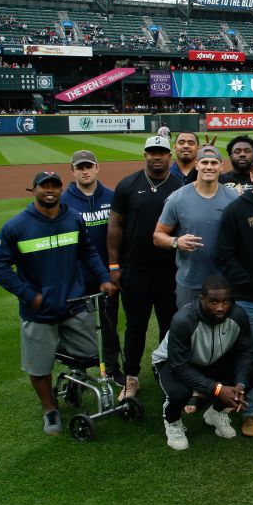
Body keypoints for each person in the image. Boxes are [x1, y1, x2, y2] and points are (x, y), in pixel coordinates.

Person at [0, 171, 117, 434]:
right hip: (39, 311)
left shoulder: (73, 218)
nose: (50, 191)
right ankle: (50, 410)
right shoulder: (16, 226)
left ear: (62, 189)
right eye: (43, 186)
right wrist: (30, 296)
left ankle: (72, 380)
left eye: (54, 186)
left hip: (73, 304)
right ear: (33, 190)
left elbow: (88, 251)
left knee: (91, 355)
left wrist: (104, 277)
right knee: (39, 366)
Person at [107, 136, 183, 401]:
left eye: (162, 152)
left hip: (169, 271)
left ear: (169, 156)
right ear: (145, 155)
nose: (157, 157)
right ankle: (131, 377)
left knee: (169, 325)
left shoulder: (179, 185)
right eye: (152, 152)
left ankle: (167, 373)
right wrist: (114, 264)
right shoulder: (128, 184)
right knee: (135, 326)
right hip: (135, 269)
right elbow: (115, 226)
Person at [150, 274, 253, 450]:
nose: (220, 308)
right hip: (171, 363)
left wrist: (239, 385)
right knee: (179, 393)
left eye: (225, 301)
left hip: (208, 361)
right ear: (202, 300)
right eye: (213, 302)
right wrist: (218, 389)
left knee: (250, 372)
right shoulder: (183, 320)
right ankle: (172, 422)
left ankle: (216, 413)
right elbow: (179, 366)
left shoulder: (238, 315)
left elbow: (246, 352)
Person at [62, 149, 123, 384]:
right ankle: (79, 373)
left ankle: (112, 368)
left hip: (107, 275)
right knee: (78, 327)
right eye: (80, 167)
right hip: (76, 277)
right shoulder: (64, 201)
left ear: (97, 168)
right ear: (73, 171)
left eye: (89, 166)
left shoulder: (112, 196)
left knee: (108, 325)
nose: (85, 171)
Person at [154, 144, 236, 309]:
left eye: (214, 163)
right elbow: (158, 236)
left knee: (221, 331)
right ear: (197, 165)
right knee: (189, 329)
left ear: (221, 167)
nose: (209, 167)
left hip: (223, 280)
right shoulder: (177, 198)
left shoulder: (233, 199)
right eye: (204, 162)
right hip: (190, 281)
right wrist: (176, 242)